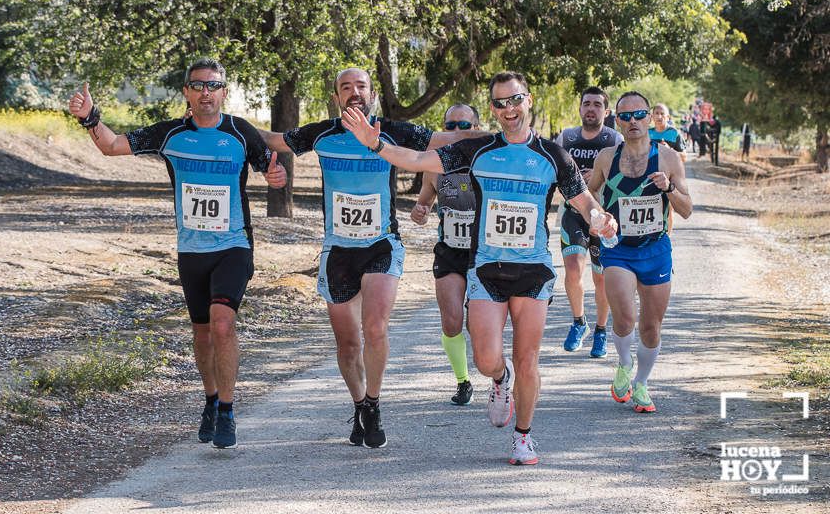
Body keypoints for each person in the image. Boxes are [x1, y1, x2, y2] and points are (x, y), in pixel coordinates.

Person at [341, 71, 618, 465]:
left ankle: (524, 437)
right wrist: (376, 145)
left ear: (529, 100)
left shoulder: (553, 156)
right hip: (487, 269)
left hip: (533, 270)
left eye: (515, 100)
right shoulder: (478, 149)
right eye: (501, 103)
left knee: (528, 358)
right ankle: (499, 381)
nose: (509, 109)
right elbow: (419, 159)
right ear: (493, 108)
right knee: (487, 359)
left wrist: (599, 217)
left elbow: (584, 200)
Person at [67, 58, 288, 449]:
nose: (206, 92)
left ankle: (227, 410)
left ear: (224, 92)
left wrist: (276, 176)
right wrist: (90, 119)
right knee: (202, 333)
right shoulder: (170, 134)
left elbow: (270, 169)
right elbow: (112, 146)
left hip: (234, 245)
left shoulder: (240, 132)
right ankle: (209, 399)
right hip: (191, 251)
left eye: (214, 86)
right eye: (199, 85)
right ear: (186, 91)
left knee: (222, 325)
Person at [259, 68, 485, 449]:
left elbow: (451, 137)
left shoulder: (393, 131)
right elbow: (273, 139)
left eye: (360, 86)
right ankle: (360, 403)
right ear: (336, 96)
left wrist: (506, 136)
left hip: (382, 244)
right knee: (348, 344)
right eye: (345, 87)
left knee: (375, 328)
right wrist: (219, 124)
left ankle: (375, 403)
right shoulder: (322, 133)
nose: (354, 93)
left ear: (372, 93)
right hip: (338, 250)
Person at [588, 91, 692, 414]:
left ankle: (642, 383)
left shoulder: (669, 158)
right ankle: (623, 362)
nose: (633, 122)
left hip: (656, 249)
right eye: (626, 116)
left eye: (639, 115)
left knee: (650, 326)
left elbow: (686, 209)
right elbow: (589, 193)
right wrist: (595, 218)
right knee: (625, 317)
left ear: (649, 117)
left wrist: (669, 189)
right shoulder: (607, 158)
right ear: (616, 121)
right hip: (618, 249)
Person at [411, 104, 480, 405]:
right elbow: (424, 202)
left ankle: (495, 373)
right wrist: (420, 210)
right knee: (452, 320)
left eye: (464, 125)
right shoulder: (434, 166)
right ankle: (463, 380)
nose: (455, 132)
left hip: (484, 254)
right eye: (449, 125)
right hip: (450, 252)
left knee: (478, 324)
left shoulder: (488, 163)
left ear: (477, 127)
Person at [553, 87, 623, 357]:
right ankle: (578, 322)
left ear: (606, 112)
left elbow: (621, 175)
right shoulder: (567, 137)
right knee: (572, 270)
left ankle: (601, 330)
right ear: (580, 109)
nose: (591, 109)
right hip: (573, 214)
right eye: (586, 104)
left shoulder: (613, 139)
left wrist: (598, 174)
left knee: (601, 278)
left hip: (603, 217)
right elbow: (554, 171)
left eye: (597, 104)